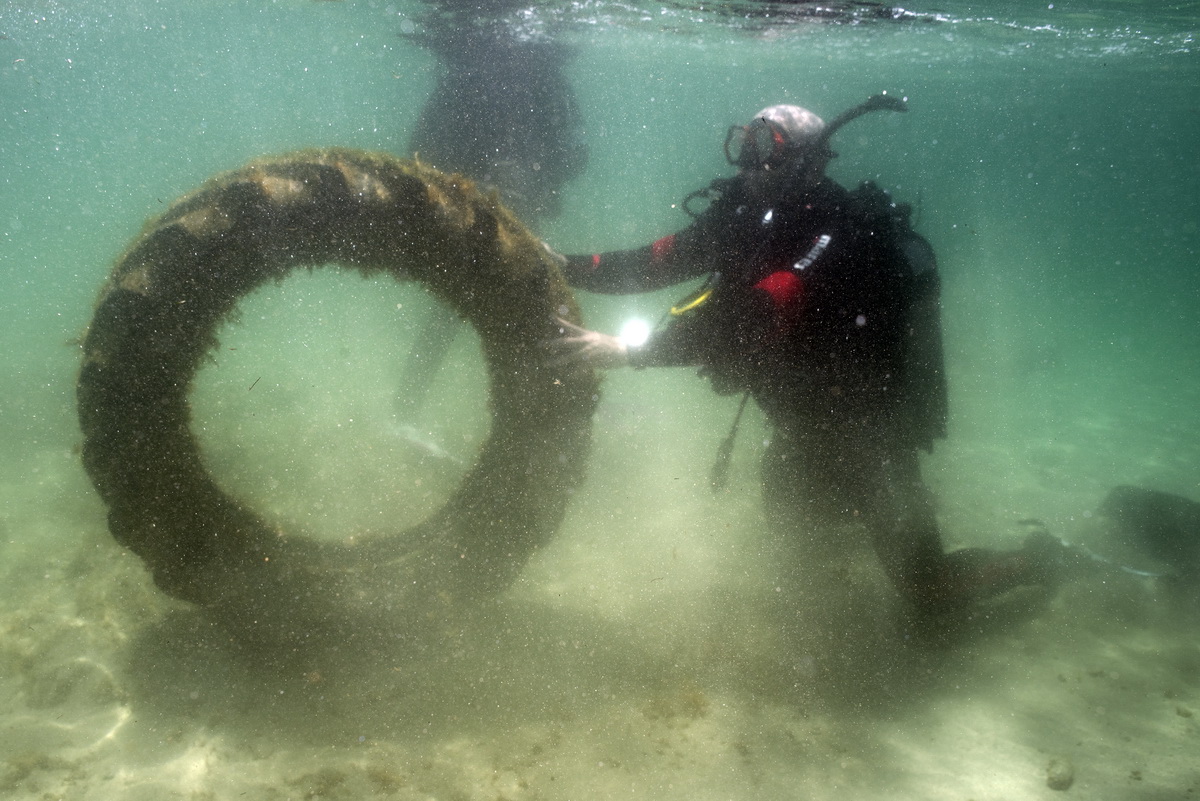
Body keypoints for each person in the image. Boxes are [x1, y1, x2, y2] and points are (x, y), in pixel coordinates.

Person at [549, 95, 1064, 619]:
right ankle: (836, 512)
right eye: (745, 145)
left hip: (866, 425)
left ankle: (1045, 561)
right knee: (796, 541)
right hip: (800, 415)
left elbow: (753, 317)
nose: (748, 164)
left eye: (764, 150)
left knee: (927, 595)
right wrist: (559, 264)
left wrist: (629, 351)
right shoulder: (742, 211)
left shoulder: (832, 229)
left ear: (808, 161)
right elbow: (652, 263)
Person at [396, 2, 589, 425]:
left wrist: (539, 170)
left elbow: (576, 155)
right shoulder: (463, 86)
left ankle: (541, 415)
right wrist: (471, 183)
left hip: (525, 215)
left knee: (530, 305)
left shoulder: (547, 87)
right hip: (469, 214)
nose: (508, 60)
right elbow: (420, 153)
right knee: (454, 310)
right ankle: (404, 410)